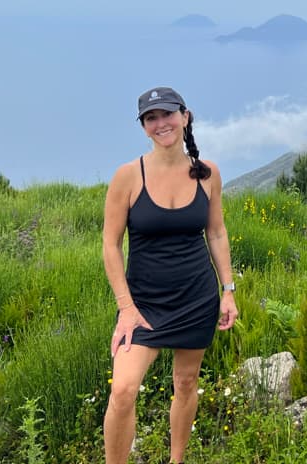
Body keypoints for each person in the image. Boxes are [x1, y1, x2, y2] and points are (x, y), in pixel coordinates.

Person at [102, 86, 239, 464]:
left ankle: (176, 460)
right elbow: (110, 246)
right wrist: (125, 309)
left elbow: (216, 232)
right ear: (144, 127)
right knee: (124, 390)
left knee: (186, 382)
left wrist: (228, 291)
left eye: (167, 114)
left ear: (185, 116)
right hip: (143, 303)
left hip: (197, 297)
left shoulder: (208, 174)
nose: (161, 124)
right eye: (151, 118)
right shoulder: (128, 176)